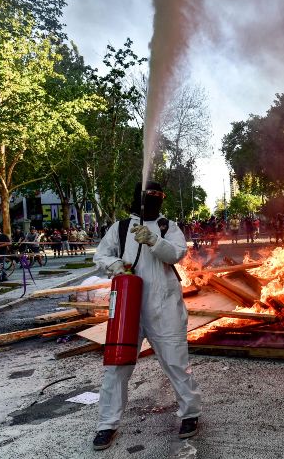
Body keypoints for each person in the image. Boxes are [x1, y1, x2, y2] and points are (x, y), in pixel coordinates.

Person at [91, 181, 201, 451]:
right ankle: (107, 424)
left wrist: (153, 240)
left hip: (165, 308)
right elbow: (101, 255)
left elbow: (177, 253)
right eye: (148, 196)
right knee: (117, 367)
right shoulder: (120, 228)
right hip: (129, 309)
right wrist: (116, 264)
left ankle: (190, 414)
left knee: (176, 363)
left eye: (157, 196)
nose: (153, 200)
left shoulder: (168, 227)